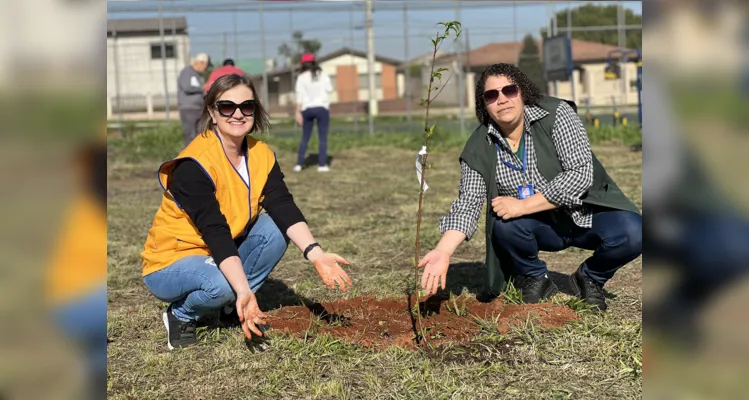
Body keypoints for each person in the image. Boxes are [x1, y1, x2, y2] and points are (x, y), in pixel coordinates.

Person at [141, 74, 353, 350]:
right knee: (226, 284)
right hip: (170, 262)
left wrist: (316, 253)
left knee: (276, 228)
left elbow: (282, 205)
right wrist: (242, 289)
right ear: (212, 113)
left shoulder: (260, 154)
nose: (238, 114)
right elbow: (214, 230)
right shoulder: (194, 164)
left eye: (247, 106)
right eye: (227, 107)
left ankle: (232, 303)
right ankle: (181, 315)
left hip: (215, 252)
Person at [418, 63, 642, 311]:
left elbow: (580, 175)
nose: (502, 99)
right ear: (484, 105)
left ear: (522, 91)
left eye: (509, 90)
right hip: (540, 225)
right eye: (491, 95)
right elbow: (468, 203)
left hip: (585, 214)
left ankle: (590, 278)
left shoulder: (557, 114)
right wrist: (443, 250)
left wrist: (523, 205)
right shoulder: (478, 147)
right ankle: (536, 277)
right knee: (502, 223)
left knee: (635, 233)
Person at [293, 52, 333, 172]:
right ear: (315, 62)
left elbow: (299, 97)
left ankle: (299, 164)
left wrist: (297, 112)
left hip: (307, 109)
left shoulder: (301, 77)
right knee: (322, 137)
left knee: (305, 137)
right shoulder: (323, 75)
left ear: (303, 64)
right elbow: (330, 89)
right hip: (322, 108)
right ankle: (322, 165)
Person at [177, 53, 211, 146]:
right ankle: (188, 158)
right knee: (190, 136)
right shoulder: (187, 72)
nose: (205, 68)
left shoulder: (199, 76)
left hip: (199, 108)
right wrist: (202, 88)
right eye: (206, 66)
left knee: (200, 135)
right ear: (201, 63)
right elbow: (186, 87)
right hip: (188, 108)